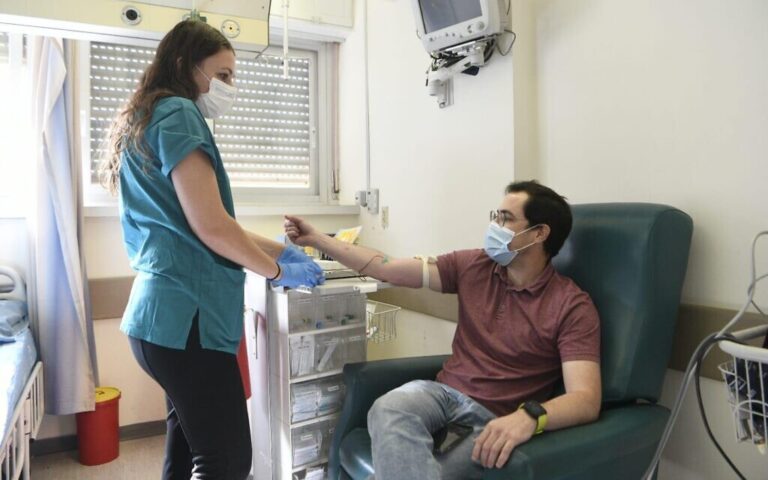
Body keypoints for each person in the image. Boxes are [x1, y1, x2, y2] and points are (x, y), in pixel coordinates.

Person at [100, 20, 324, 480]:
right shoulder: (180, 113)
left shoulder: (146, 115)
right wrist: (276, 272)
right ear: (186, 66)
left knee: (186, 451)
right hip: (187, 324)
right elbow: (213, 227)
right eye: (221, 75)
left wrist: (281, 253)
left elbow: (206, 224)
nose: (229, 87)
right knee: (223, 462)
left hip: (158, 323)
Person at [285, 180, 601, 480]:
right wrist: (317, 239)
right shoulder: (474, 266)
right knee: (389, 407)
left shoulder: (571, 306)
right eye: (495, 217)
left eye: (505, 219)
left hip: (496, 418)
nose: (494, 227)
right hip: (443, 394)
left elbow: (585, 399)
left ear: (539, 233)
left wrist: (530, 417)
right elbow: (386, 268)